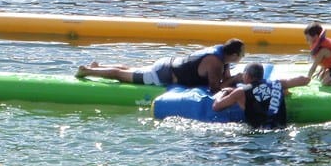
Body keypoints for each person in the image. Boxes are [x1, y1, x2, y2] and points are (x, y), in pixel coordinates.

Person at [75, 39, 246, 94]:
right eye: (242, 54)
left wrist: (233, 79)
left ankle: (99, 65)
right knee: (122, 75)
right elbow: (215, 89)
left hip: (168, 63)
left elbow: (224, 79)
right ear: (234, 55)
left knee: (130, 69)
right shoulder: (215, 62)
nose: (243, 57)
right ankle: (88, 71)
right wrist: (236, 80)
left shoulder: (222, 56)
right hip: (163, 74)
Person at [211, 63, 311, 129]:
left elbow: (216, 106)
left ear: (247, 75)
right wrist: (282, 90)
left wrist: (225, 91)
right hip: (281, 131)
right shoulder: (277, 84)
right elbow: (304, 80)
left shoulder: (240, 92)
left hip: (257, 134)